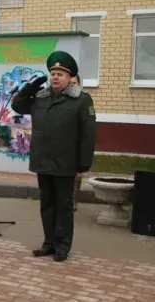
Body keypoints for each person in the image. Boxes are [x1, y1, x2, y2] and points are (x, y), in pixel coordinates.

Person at [11, 51, 97, 262]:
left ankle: (62, 246)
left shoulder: (81, 100)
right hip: (42, 159)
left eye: (60, 74)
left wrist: (84, 162)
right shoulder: (40, 98)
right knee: (47, 204)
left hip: (66, 161)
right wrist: (29, 88)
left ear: (70, 78)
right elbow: (17, 105)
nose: (55, 77)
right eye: (53, 73)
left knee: (64, 205)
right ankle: (48, 243)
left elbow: (89, 134)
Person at [70, 74, 83, 212]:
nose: (72, 85)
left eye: (75, 83)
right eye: (70, 82)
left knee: (77, 174)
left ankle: (74, 199)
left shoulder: (82, 100)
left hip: (77, 142)